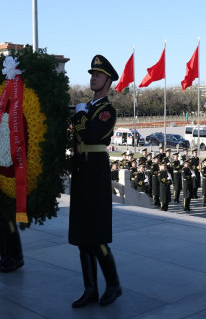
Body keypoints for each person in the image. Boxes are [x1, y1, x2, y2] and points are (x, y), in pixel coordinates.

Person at [69, 55, 122, 308]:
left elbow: (90, 133)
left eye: (98, 75)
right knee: (82, 233)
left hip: (95, 170)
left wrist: (79, 118)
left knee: (96, 232)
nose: (93, 78)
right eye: (91, 74)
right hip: (81, 168)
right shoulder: (87, 108)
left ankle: (113, 285)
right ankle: (90, 288)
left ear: (108, 80)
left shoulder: (107, 111)